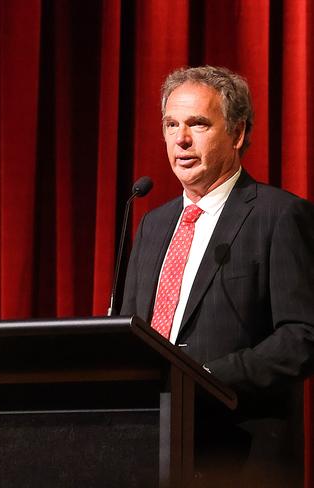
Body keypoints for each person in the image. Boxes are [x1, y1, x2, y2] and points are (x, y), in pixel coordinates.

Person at [121, 66, 314, 486]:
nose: (181, 140)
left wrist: (205, 379)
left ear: (238, 133)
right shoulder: (152, 224)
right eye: (171, 125)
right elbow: (133, 330)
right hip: (153, 451)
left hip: (240, 456)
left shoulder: (278, 216)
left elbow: (301, 337)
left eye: (198, 124)